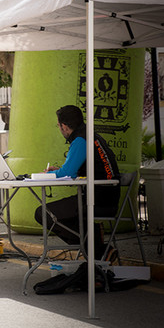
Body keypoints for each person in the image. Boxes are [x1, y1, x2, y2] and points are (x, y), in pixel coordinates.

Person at [34, 104, 120, 259]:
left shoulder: (80, 139)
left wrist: (51, 173)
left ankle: (97, 249)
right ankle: (96, 247)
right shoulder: (90, 135)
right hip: (106, 195)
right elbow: (74, 169)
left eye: (59, 126)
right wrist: (57, 171)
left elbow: (68, 172)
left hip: (98, 200)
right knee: (59, 212)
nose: (60, 129)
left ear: (64, 126)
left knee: (43, 213)